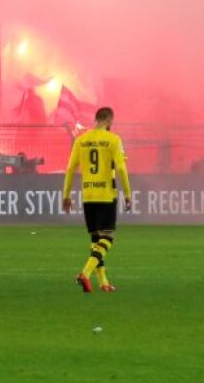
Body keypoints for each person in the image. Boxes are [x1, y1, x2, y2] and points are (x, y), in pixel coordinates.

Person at [62, 107, 132, 294]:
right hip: (106, 194)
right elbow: (122, 169)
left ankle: (103, 282)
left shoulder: (81, 140)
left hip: (88, 195)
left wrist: (66, 195)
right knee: (107, 238)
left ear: (96, 119)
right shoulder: (113, 139)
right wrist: (127, 194)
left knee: (95, 240)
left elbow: (70, 169)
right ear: (109, 120)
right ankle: (85, 273)